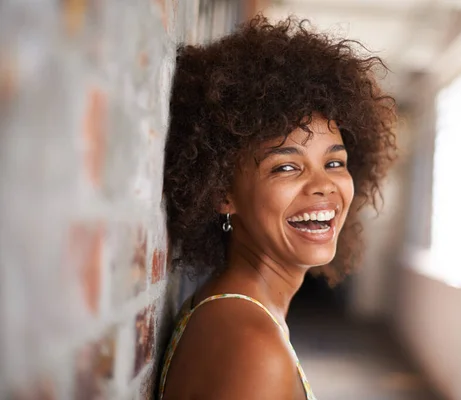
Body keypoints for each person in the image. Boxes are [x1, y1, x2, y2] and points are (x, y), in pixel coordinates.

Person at [159, 15, 397, 400]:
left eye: (334, 163)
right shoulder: (252, 347)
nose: (324, 187)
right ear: (222, 192)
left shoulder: (240, 312)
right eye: (286, 167)